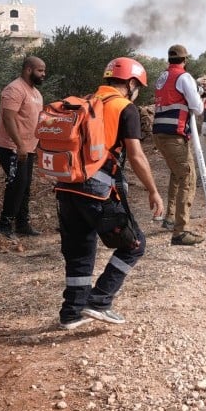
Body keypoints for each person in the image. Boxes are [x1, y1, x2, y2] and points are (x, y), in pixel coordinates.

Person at [56, 57, 165, 329]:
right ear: (130, 83)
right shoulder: (124, 108)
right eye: (138, 85)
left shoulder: (85, 101)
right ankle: (100, 301)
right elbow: (137, 156)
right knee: (134, 244)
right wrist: (153, 190)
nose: (137, 91)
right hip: (97, 190)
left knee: (80, 250)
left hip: (66, 186)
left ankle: (71, 313)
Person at [152, 44, 206, 246]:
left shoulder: (162, 77)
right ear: (185, 60)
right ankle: (180, 231)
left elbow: (172, 97)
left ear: (169, 59)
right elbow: (197, 108)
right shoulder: (184, 77)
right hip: (173, 135)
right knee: (188, 177)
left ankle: (170, 217)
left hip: (160, 133)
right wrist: (201, 99)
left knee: (177, 174)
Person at [0, 56, 46, 238]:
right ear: (28, 69)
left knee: (25, 184)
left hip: (28, 147)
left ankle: (22, 224)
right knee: (17, 183)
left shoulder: (36, 94)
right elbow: (8, 118)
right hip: (11, 146)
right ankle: (4, 224)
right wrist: (19, 145)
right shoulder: (14, 89)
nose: (43, 74)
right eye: (40, 70)